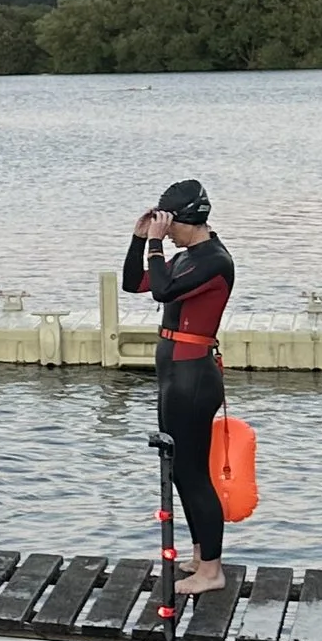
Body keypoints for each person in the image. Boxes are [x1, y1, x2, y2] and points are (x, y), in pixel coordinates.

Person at [122, 177, 235, 597]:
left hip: (193, 377)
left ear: (185, 220)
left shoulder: (214, 260)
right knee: (179, 474)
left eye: (167, 223)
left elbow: (163, 291)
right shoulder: (188, 257)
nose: (163, 230)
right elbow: (135, 284)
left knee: (194, 475)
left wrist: (155, 244)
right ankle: (200, 555)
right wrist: (138, 241)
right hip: (174, 375)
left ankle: (212, 570)